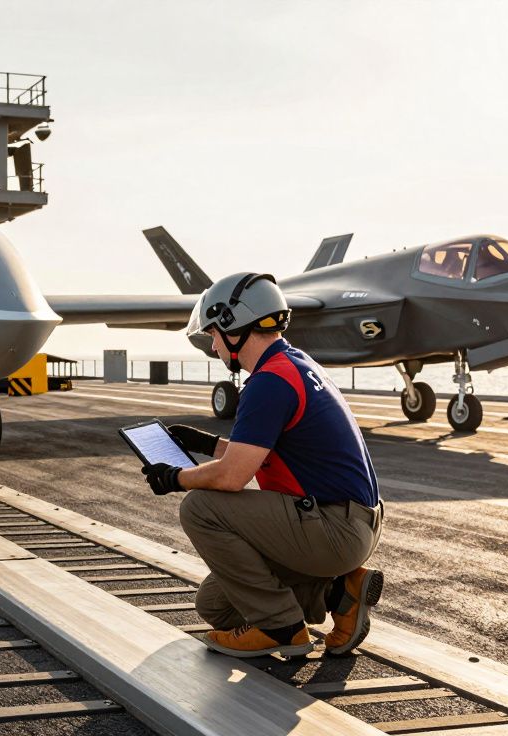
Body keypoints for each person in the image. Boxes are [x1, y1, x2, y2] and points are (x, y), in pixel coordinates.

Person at [141, 272, 384, 658]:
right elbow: (263, 453)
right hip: (350, 524)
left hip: (333, 529)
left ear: (233, 327)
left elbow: (233, 477)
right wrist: (206, 443)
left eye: (215, 333)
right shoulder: (296, 364)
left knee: (200, 507)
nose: (214, 343)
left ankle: (282, 629)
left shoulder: (269, 381)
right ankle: (341, 594)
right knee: (216, 606)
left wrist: (175, 478)